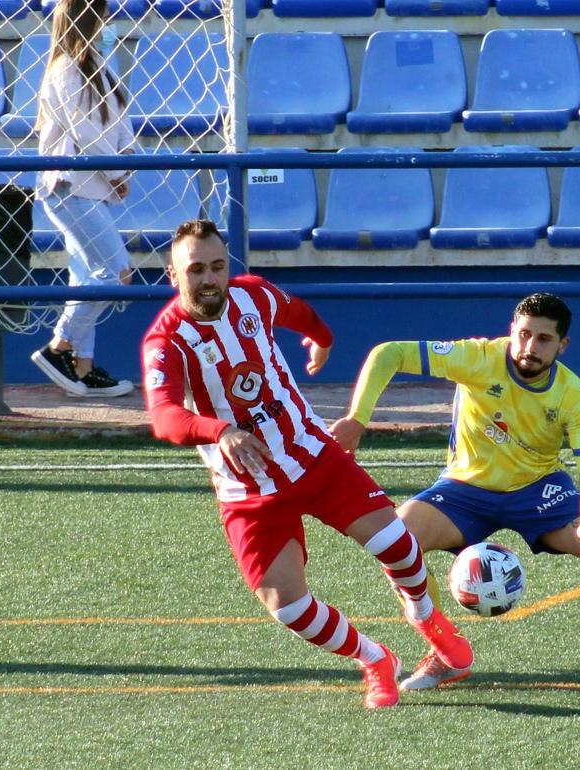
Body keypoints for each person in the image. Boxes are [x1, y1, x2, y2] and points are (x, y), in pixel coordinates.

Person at [141, 219, 472, 709]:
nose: (210, 279)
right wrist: (222, 431)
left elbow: (297, 310)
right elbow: (164, 417)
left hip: (310, 452)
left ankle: (427, 620)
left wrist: (322, 337)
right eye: (196, 270)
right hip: (249, 489)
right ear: (173, 275)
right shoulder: (166, 341)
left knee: (397, 545)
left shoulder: (252, 294)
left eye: (217, 266)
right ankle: (375, 659)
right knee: (288, 607)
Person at [331, 292, 580, 690]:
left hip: (538, 490)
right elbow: (389, 353)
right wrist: (357, 419)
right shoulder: (477, 358)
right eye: (524, 334)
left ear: (562, 345)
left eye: (544, 339)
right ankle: (446, 652)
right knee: (396, 542)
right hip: (465, 488)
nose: (530, 347)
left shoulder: (572, 394)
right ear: (511, 330)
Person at [30, 0, 135, 397]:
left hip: (96, 188)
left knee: (86, 277)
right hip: (69, 188)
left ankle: (83, 365)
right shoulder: (65, 70)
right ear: (87, 21)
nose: (109, 25)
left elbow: (121, 122)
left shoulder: (103, 68)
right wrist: (115, 171)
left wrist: (125, 160)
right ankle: (59, 346)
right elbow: (85, 131)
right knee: (116, 273)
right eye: (103, 18)